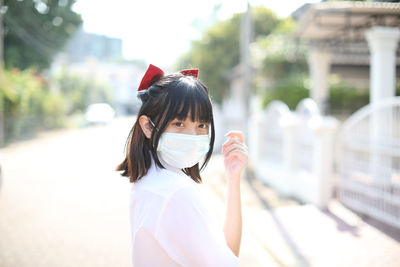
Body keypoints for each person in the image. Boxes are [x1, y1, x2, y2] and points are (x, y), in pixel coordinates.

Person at [116, 64, 248, 267]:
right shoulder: (176, 192)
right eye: (179, 124)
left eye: (201, 125)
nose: (192, 136)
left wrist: (233, 178)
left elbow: (225, 253)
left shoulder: (150, 179)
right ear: (148, 126)